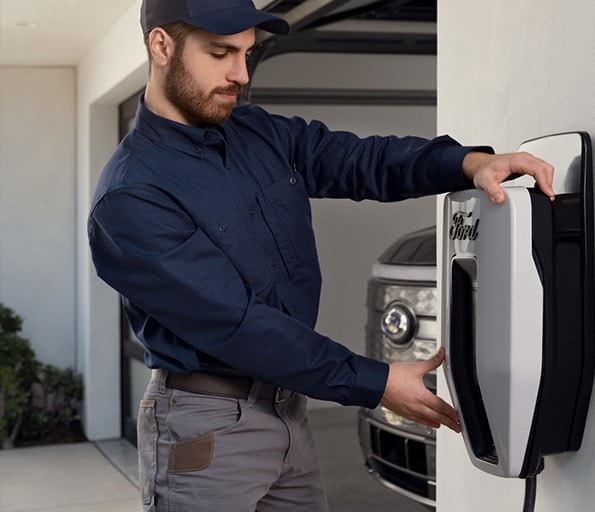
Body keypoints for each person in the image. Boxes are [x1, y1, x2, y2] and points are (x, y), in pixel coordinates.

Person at [88, 0, 555, 511]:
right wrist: (375, 382)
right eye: (221, 53)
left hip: (288, 410)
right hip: (207, 429)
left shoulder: (256, 133)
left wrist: (468, 163)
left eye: (247, 53)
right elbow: (239, 325)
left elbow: (360, 160)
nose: (239, 74)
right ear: (161, 46)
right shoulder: (131, 196)